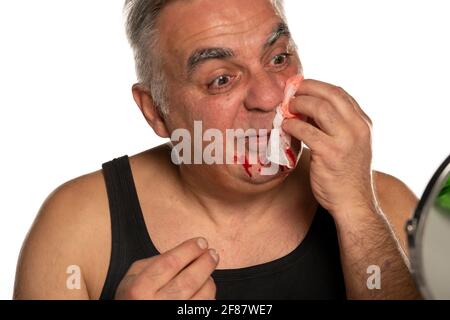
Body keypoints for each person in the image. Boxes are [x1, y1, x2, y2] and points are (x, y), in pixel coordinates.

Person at [14, 0, 421, 300]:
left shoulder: (385, 206)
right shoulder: (76, 229)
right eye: (222, 79)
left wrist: (358, 213)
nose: (268, 94)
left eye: (279, 57)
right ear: (156, 112)